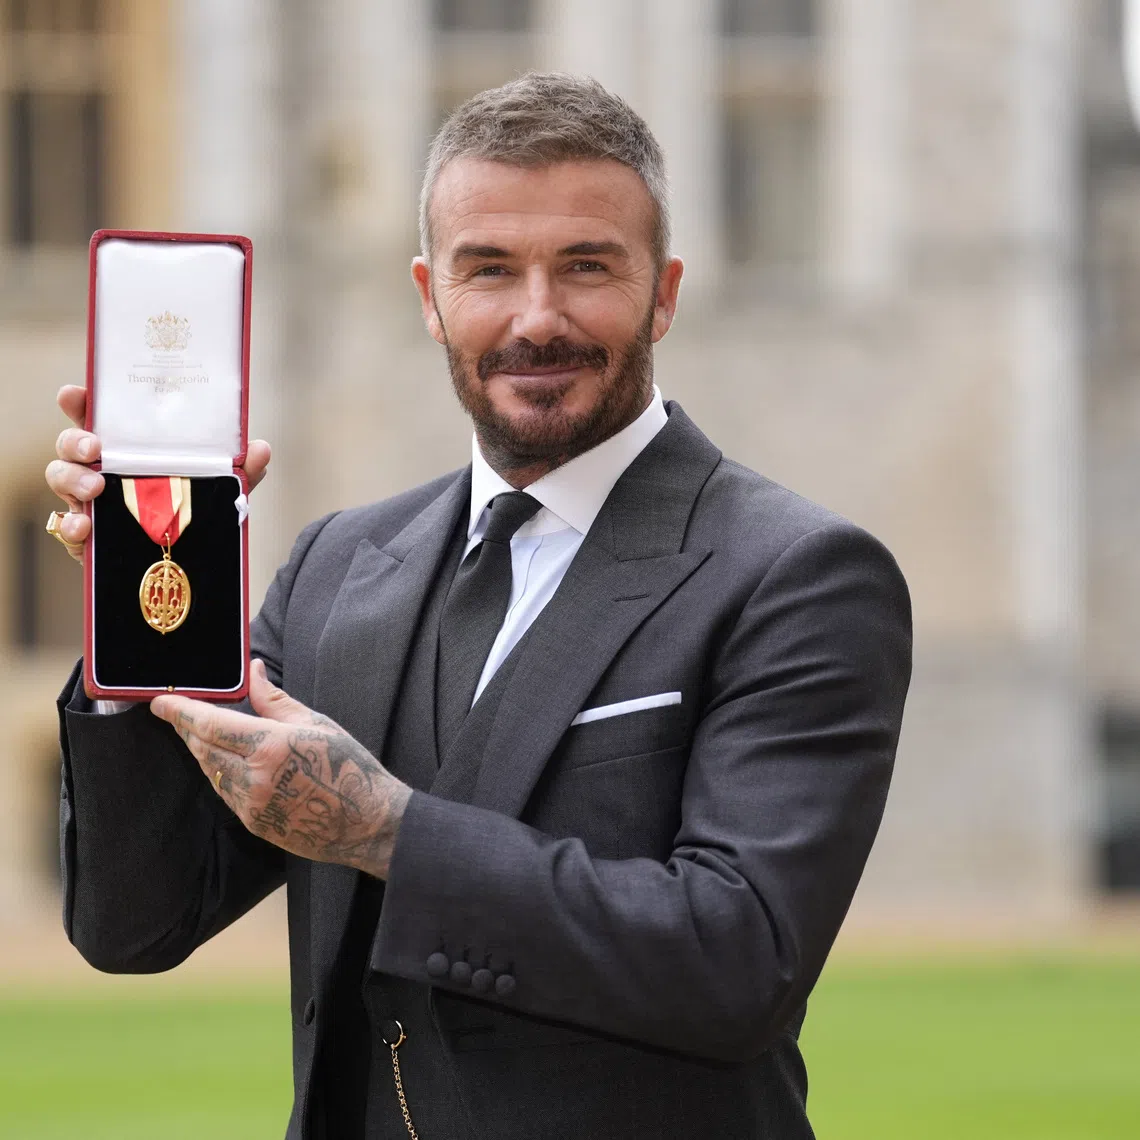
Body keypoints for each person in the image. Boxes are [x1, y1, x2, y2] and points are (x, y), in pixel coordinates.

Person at [45, 73, 911, 1139]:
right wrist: (140, 598)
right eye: (489, 269)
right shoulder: (335, 563)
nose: (536, 318)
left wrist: (389, 833)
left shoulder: (799, 574)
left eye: (587, 267)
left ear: (665, 292)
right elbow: (139, 924)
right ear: (429, 296)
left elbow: (738, 963)